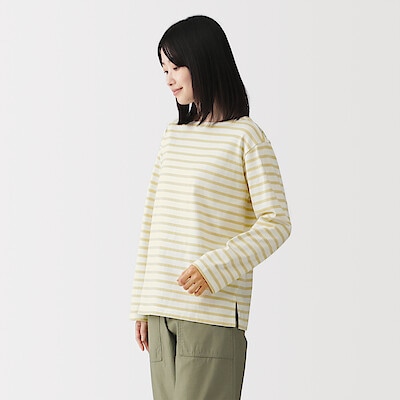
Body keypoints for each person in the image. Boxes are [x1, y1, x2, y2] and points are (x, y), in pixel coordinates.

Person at [130, 15, 291, 400]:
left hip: (211, 312)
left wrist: (213, 268)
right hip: (161, 312)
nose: (168, 79)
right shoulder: (173, 137)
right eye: (164, 69)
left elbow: (277, 223)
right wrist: (141, 304)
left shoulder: (246, 136)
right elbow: (152, 222)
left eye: (176, 67)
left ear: (203, 61)